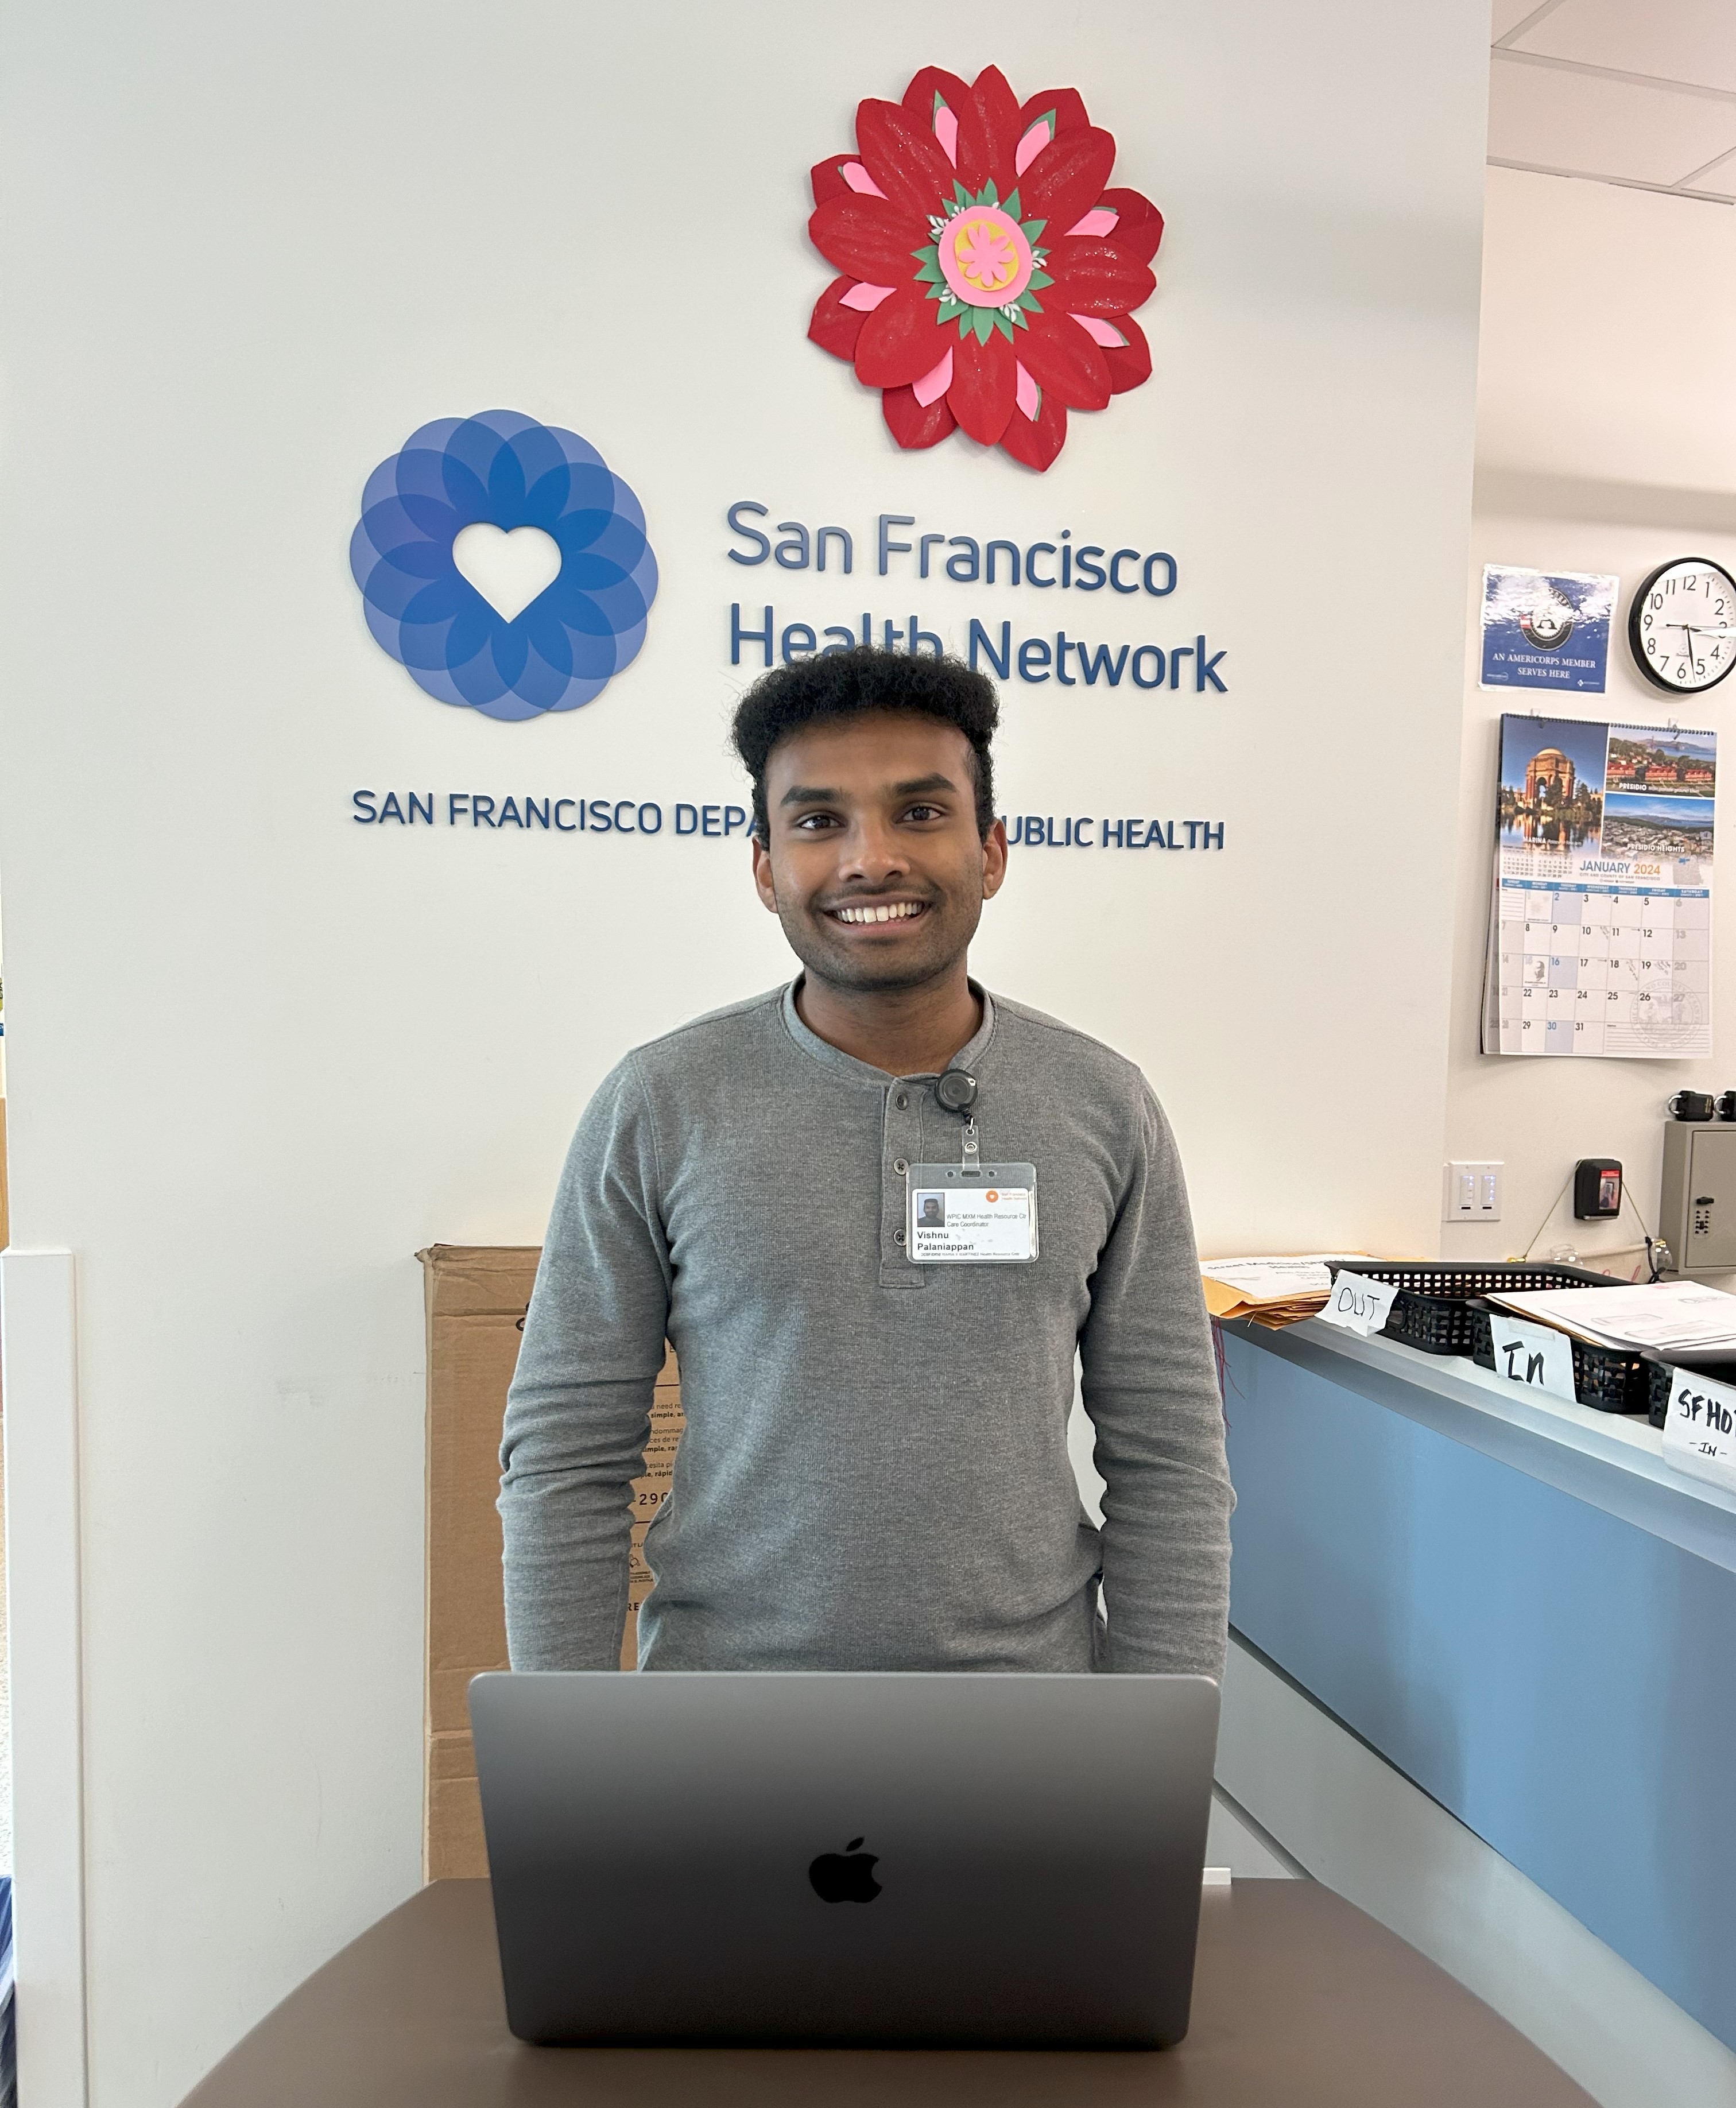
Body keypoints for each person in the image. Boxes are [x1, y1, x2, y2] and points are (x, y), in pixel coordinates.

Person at [499, 646, 1232, 1676]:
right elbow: (568, 1455)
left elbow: (1172, 1462)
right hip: (728, 1725)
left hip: (1033, 1731)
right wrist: (569, 1755)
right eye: (817, 822)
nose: (869, 859)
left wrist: (1161, 1744)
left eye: (921, 814)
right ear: (765, 867)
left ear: (993, 852)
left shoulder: (1105, 1106)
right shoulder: (659, 1103)